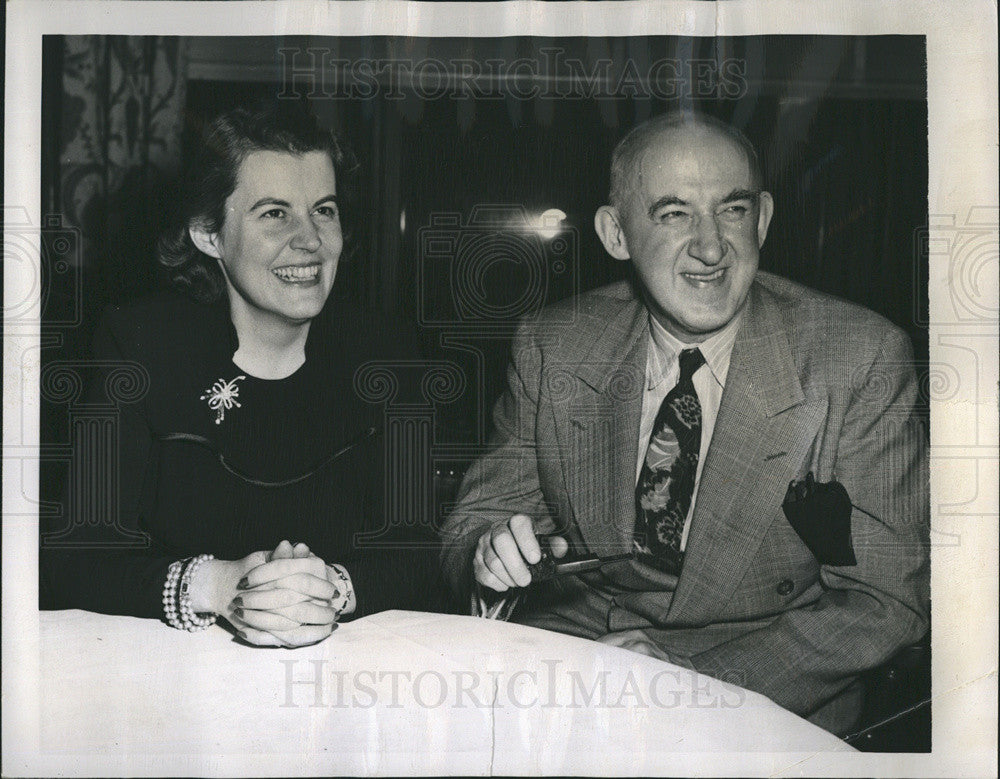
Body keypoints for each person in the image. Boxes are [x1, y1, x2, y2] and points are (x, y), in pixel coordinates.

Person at [440, 111, 929, 734]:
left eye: (732, 210)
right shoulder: (555, 343)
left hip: (761, 700)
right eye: (673, 213)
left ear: (765, 220)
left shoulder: (857, 358)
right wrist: (490, 555)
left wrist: (689, 686)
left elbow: (885, 601)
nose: (710, 246)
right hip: (580, 669)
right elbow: (475, 523)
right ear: (616, 234)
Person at [41, 102, 450, 646]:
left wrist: (330, 589)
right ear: (209, 234)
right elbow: (75, 560)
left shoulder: (386, 351)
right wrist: (218, 585)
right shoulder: (140, 345)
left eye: (324, 210)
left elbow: (421, 547)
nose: (310, 240)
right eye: (274, 213)